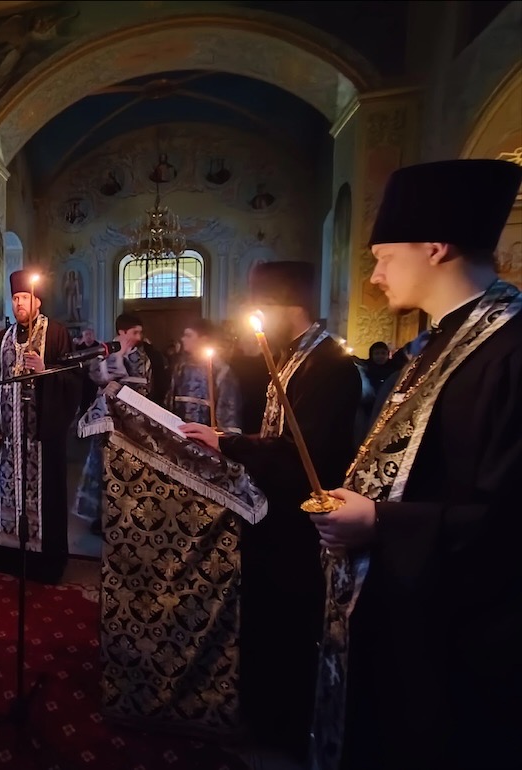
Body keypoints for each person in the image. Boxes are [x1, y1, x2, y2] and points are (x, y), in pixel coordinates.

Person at [308, 159, 522, 770]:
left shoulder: (510, 351)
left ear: (435, 248)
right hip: (400, 608)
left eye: (383, 257)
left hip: (460, 638)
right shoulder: (433, 345)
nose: (374, 275)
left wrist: (379, 523)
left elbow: (509, 523)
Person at [180, 261, 361, 761]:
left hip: (301, 526)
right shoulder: (295, 355)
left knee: (288, 628)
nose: (255, 317)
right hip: (274, 514)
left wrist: (228, 443)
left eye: (263, 306)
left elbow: (304, 454)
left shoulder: (330, 365)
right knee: (267, 619)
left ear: (289, 306)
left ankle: (281, 731)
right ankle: (261, 715)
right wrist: (228, 440)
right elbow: (276, 436)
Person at [0, 270, 81, 585]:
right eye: (15, 298)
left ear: (37, 301)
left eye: (24, 297)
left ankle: (44, 564)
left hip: (42, 440)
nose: (19, 303)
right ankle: (6, 557)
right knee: (6, 495)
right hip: (9, 439)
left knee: (45, 499)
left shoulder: (57, 334)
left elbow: (74, 380)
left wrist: (46, 370)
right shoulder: (2, 339)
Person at [75, 313, 151, 534]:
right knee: (103, 470)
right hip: (108, 423)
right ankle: (101, 517)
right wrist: (117, 356)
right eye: (134, 332)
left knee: (128, 471)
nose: (139, 337)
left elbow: (146, 388)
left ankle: (126, 517)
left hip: (133, 424)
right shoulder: (105, 351)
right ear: (122, 332)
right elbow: (95, 376)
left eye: (140, 332)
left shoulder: (144, 358)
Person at [168, 319, 242, 433]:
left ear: (203, 339)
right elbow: (169, 404)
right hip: (179, 434)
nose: (183, 339)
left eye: (188, 335)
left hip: (206, 438)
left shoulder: (221, 371)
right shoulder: (181, 367)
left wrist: (222, 438)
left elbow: (228, 414)